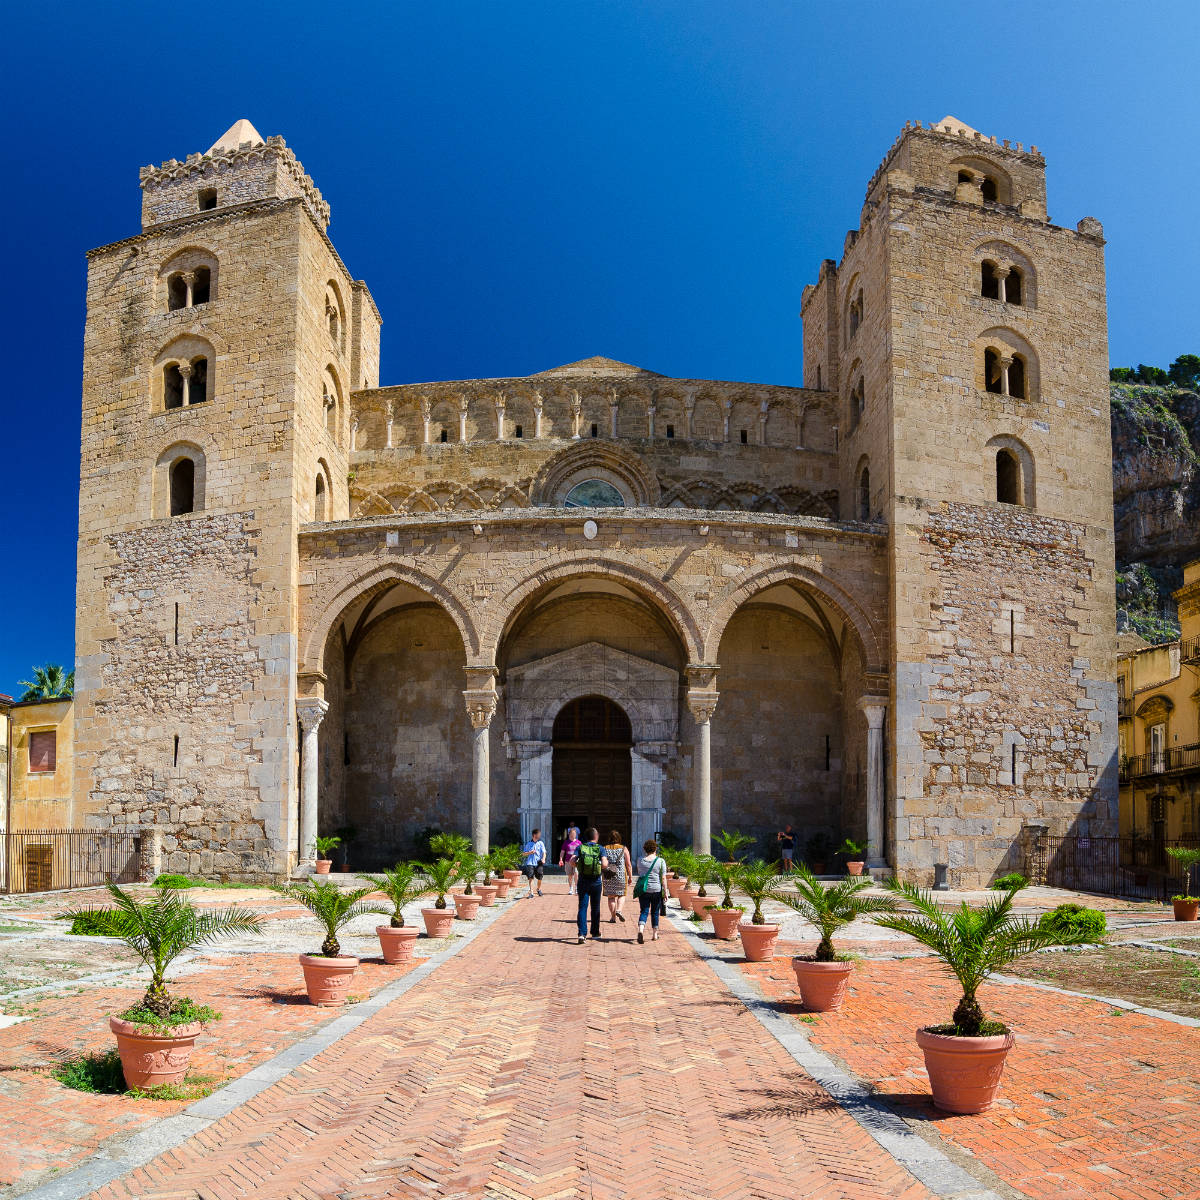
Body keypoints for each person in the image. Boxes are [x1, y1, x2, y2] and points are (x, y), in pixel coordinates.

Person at [572, 827, 608, 943]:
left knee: (582, 907)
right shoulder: (600, 848)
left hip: (583, 881)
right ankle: (595, 933)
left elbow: (571, 861)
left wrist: (580, 866)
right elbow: (604, 864)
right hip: (596, 882)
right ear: (596, 837)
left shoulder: (580, 847)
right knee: (595, 907)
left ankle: (582, 934)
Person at [634, 838, 668, 943]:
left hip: (644, 890)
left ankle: (641, 929)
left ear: (645, 849)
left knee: (644, 910)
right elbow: (663, 878)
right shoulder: (661, 861)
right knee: (655, 912)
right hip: (656, 890)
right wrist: (665, 892)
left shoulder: (640, 860)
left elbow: (640, 873)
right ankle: (655, 934)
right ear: (655, 849)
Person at [602, 830, 632, 924]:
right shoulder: (623, 848)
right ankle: (619, 910)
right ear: (619, 838)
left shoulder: (604, 848)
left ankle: (613, 917)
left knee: (611, 897)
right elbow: (628, 864)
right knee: (621, 894)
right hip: (621, 875)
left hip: (608, 875)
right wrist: (630, 876)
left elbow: (602, 862)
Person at [521, 828, 546, 898]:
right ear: (534, 835)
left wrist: (543, 859)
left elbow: (544, 852)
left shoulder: (541, 843)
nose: (539, 835)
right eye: (538, 834)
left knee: (540, 877)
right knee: (530, 877)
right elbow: (523, 854)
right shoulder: (529, 844)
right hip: (530, 863)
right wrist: (530, 852)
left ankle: (538, 889)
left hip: (539, 862)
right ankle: (531, 892)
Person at [558, 825, 582, 895]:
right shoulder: (566, 842)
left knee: (576, 874)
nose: (573, 835)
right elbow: (562, 852)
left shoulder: (579, 842)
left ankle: (576, 888)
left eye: (574, 834)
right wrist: (560, 859)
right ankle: (571, 888)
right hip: (568, 861)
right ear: (569, 834)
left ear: (576, 834)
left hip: (576, 861)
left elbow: (581, 852)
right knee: (570, 875)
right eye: (571, 834)